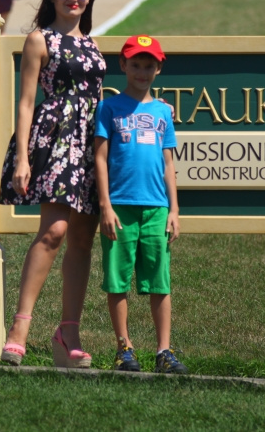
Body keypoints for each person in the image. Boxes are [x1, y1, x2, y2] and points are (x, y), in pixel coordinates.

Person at [0, 0, 106, 368]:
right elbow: (26, 102)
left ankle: (68, 336)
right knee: (54, 231)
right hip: (54, 141)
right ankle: (18, 331)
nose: (74, 0)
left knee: (81, 239)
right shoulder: (39, 40)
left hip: (90, 144)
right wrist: (22, 158)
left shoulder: (93, 44)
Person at [94, 34, 187, 374]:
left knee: (159, 281)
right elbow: (100, 158)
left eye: (149, 65)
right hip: (119, 206)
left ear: (158, 69)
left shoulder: (163, 111)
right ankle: (124, 349)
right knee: (117, 280)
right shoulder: (109, 107)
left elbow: (168, 164)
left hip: (157, 208)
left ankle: (164, 350)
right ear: (123, 66)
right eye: (136, 64)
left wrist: (174, 210)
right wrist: (105, 204)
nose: (142, 71)